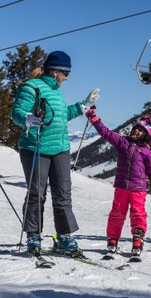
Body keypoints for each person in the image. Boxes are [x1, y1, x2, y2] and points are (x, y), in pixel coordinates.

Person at [12, 51, 99, 256]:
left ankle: (64, 237)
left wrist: (82, 106)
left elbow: (61, 116)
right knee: (37, 193)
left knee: (63, 194)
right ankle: (33, 235)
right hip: (35, 147)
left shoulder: (57, 92)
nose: (67, 77)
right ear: (55, 72)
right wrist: (28, 118)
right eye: (65, 73)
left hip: (60, 148)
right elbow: (17, 112)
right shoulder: (30, 87)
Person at [85, 109, 151, 258]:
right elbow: (106, 133)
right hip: (121, 187)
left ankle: (138, 240)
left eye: (140, 131)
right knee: (117, 213)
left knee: (138, 214)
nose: (136, 131)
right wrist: (95, 120)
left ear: (147, 136)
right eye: (135, 128)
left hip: (138, 189)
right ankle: (113, 239)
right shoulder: (123, 142)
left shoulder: (146, 152)